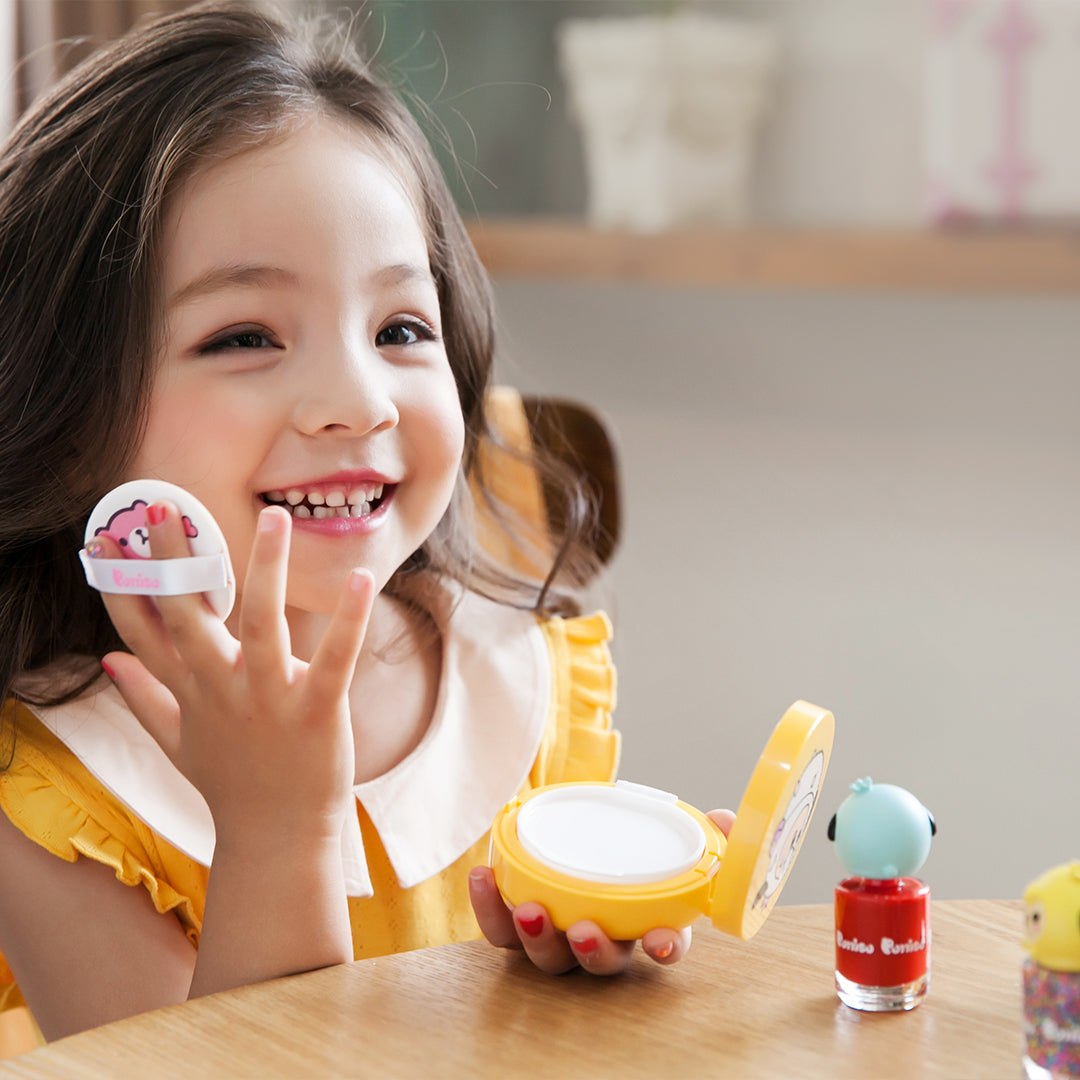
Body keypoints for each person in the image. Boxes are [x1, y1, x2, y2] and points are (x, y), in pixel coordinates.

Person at [0, 0, 733, 1044]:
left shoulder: (512, 682)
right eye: (246, 335)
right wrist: (275, 829)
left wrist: (594, 951)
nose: (361, 401)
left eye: (400, 327)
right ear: (69, 418)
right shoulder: (54, 791)